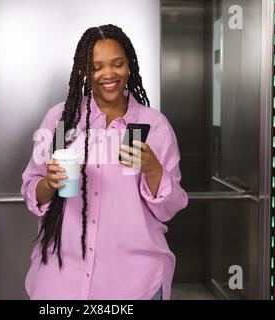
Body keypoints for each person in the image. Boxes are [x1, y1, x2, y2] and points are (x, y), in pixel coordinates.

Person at [21, 24, 188, 300]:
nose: (108, 74)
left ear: (129, 67)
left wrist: (153, 169)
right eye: (96, 67)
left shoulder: (153, 126)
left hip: (134, 283)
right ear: (85, 72)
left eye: (117, 64)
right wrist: (49, 183)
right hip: (62, 279)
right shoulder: (61, 122)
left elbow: (169, 209)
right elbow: (32, 189)